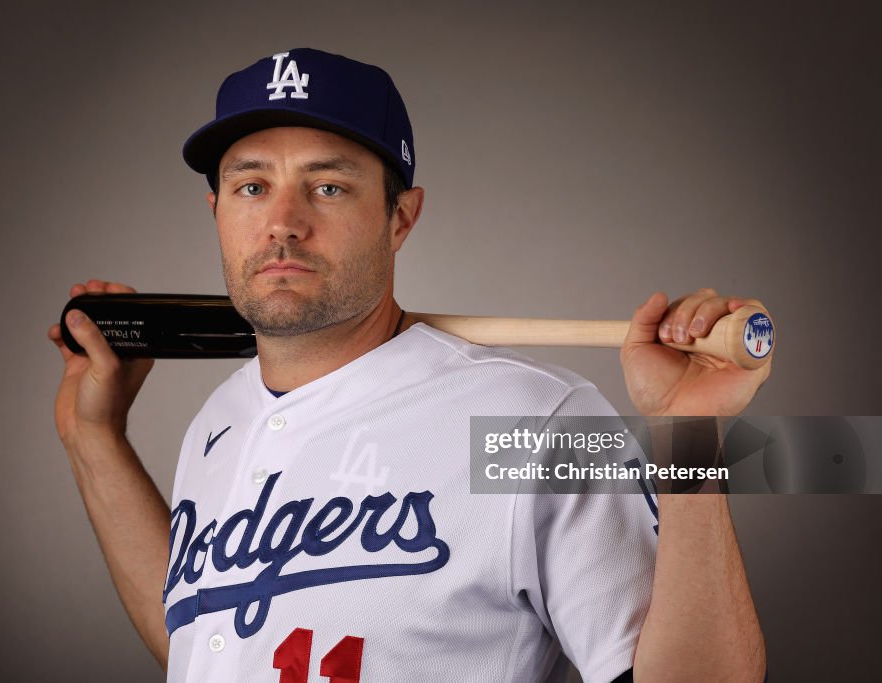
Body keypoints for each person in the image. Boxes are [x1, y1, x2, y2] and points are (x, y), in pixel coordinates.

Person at [48, 48, 769, 682]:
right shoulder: (220, 422)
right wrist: (95, 437)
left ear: (402, 217)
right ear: (217, 210)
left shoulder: (530, 423)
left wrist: (691, 437)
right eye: (252, 185)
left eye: (328, 186)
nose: (283, 221)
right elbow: (202, 648)